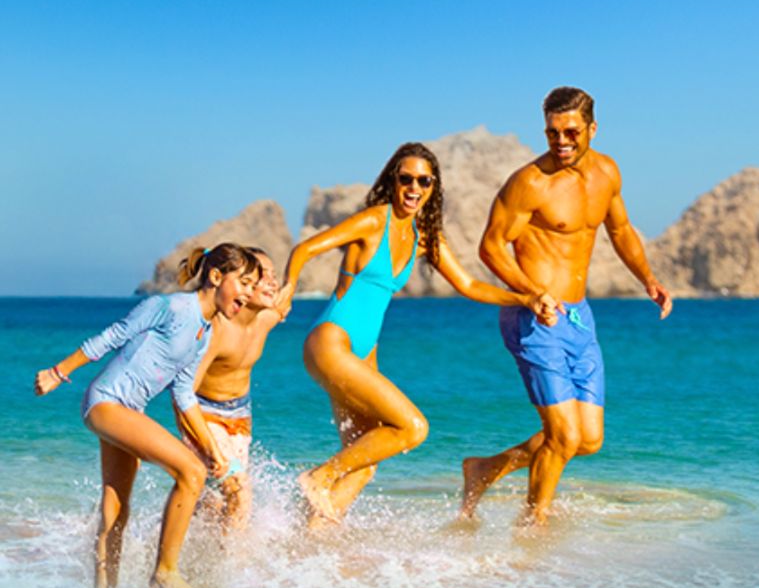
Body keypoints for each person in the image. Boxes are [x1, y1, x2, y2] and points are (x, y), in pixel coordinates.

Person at [277, 142, 556, 526]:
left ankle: (310, 538)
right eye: (405, 178)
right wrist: (288, 290)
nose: (414, 187)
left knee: (364, 460)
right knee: (412, 427)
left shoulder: (426, 238)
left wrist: (526, 298)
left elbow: (469, 285)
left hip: (361, 353)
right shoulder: (376, 220)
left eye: (423, 181)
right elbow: (306, 248)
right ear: (393, 181)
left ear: (432, 187)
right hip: (330, 342)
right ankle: (318, 477)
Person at [461, 86, 673, 526]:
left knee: (587, 439)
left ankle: (485, 469)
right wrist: (531, 292)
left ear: (592, 129)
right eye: (553, 132)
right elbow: (491, 248)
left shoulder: (606, 174)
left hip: (579, 316)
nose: (561, 141)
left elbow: (621, 231)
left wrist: (648, 278)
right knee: (563, 434)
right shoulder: (530, 183)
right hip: (533, 318)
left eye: (571, 132)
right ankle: (533, 523)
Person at [33, 244, 260, 588]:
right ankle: (165, 573)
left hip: (127, 412)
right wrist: (57, 372)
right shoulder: (169, 307)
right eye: (244, 283)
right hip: (107, 403)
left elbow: (184, 395)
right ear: (216, 276)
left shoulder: (204, 333)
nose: (248, 293)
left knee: (117, 509)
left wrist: (212, 449)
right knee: (191, 472)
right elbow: (110, 338)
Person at [175, 247, 288, 532]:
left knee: (213, 502)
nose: (273, 282)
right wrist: (206, 445)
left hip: (240, 420)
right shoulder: (217, 330)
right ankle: (233, 571)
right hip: (205, 418)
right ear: (243, 285)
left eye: (275, 276)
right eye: (263, 277)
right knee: (239, 491)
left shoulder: (267, 318)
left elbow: (287, 294)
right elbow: (183, 393)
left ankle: (181, 550)